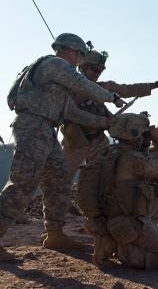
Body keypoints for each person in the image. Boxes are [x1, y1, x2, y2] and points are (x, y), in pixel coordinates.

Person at [0, 33, 124, 261]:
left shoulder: (57, 82)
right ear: (72, 51)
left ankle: (54, 233)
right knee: (23, 184)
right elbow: (81, 83)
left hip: (46, 131)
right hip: (33, 127)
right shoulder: (54, 64)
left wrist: (103, 122)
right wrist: (111, 96)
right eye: (80, 56)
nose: (80, 62)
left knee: (59, 181)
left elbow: (71, 112)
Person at [63, 48, 158, 181]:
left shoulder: (104, 87)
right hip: (74, 142)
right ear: (82, 67)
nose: (97, 73)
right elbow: (70, 114)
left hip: (98, 142)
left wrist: (157, 85)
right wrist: (103, 120)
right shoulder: (69, 89)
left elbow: (128, 89)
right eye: (94, 69)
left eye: (100, 70)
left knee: (108, 176)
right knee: (61, 181)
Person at [84, 113, 158, 268]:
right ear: (135, 135)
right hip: (128, 223)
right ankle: (120, 248)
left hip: (105, 218)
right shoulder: (133, 159)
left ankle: (112, 239)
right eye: (144, 134)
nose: (146, 138)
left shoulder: (107, 153)